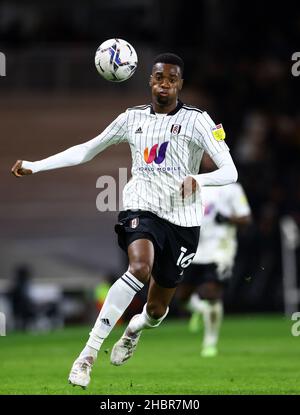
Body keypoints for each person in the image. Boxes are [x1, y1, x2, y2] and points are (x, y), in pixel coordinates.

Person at [11, 53, 238, 389]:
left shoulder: (199, 121)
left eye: (172, 79)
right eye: (159, 77)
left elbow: (230, 172)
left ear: (180, 84)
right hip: (141, 208)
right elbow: (87, 149)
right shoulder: (131, 118)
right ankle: (87, 355)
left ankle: (134, 329)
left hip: (183, 221)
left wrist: (198, 180)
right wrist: (37, 165)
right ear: (149, 80)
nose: (164, 84)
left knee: (158, 309)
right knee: (139, 269)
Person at [178, 154, 252, 357]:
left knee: (211, 293)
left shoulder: (232, 187)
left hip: (221, 249)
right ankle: (200, 311)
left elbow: (246, 218)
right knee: (182, 296)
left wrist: (227, 218)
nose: (209, 159)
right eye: (206, 155)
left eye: (212, 155)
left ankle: (210, 342)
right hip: (194, 248)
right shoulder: (192, 183)